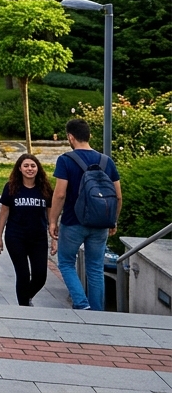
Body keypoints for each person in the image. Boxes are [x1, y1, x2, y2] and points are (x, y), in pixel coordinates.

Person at [50, 118, 122, 311]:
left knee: (65, 263)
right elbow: (118, 196)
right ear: (89, 135)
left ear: (70, 137)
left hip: (73, 222)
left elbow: (60, 194)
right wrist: (113, 219)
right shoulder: (107, 161)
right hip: (100, 224)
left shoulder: (66, 160)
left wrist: (52, 220)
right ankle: (97, 311)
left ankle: (82, 304)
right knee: (96, 268)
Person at [0, 153, 52, 306]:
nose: (30, 169)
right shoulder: (11, 187)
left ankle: (26, 297)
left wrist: (54, 238)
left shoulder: (45, 188)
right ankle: (23, 307)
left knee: (40, 275)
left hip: (38, 238)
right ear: (19, 168)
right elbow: (4, 212)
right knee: (23, 274)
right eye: (26, 166)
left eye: (33, 166)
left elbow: (51, 215)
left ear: (38, 169)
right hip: (16, 237)